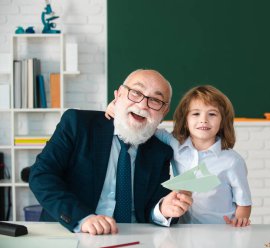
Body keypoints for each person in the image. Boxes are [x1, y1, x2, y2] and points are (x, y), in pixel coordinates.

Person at [29, 69, 193, 235]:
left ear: (164, 112)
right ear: (118, 95)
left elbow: (151, 207)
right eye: (136, 92)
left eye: (156, 100)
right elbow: (41, 175)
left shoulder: (161, 151)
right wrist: (83, 219)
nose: (143, 105)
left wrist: (162, 209)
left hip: (135, 239)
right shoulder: (77, 124)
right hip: (73, 234)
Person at [106, 85, 252, 227]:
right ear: (186, 120)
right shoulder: (175, 143)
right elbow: (146, 125)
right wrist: (118, 109)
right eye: (196, 114)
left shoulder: (232, 161)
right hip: (183, 231)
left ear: (222, 121)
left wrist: (240, 220)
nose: (204, 120)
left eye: (212, 114)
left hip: (220, 230)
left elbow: (243, 201)